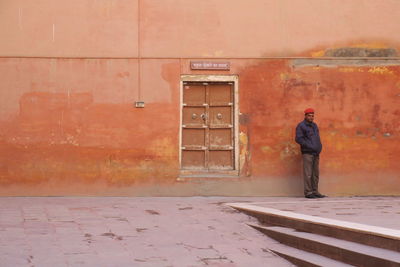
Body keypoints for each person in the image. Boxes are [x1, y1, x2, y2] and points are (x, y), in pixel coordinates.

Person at [295, 108, 326, 199]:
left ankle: (315, 191)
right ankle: (308, 192)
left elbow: (317, 138)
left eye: (312, 116)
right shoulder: (301, 126)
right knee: (308, 173)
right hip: (307, 153)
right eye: (309, 115)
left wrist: (319, 147)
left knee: (315, 174)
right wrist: (309, 146)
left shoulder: (315, 126)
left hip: (316, 152)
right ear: (305, 116)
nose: (311, 117)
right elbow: (298, 138)